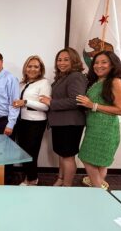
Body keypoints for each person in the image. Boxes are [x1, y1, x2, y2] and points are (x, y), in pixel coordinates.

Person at [76, 51, 121, 188]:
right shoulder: (98, 81)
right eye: (96, 63)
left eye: (104, 62)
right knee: (98, 161)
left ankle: (97, 190)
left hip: (105, 128)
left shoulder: (115, 82)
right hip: (94, 127)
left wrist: (93, 105)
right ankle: (97, 186)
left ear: (112, 64)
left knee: (88, 158)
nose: (99, 65)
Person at [39, 47, 87, 187]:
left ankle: (67, 186)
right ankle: (61, 179)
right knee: (62, 154)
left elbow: (76, 100)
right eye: (59, 60)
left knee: (68, 156)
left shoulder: (76, 76)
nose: (62, 63)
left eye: (66, 59)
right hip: (61, 123)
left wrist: (51, 102)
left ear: (74, 61)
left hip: (70, 123)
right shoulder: (63, 77)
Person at [12, 55, 51, 186]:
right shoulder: (22, 84)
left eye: (36, 66)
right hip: (22, 121)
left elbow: (45, 106)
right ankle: (28, 178)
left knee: (31, 152)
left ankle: (33, 179)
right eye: (29, 66)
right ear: (25, 68)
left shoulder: (44, 83)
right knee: (23, 152)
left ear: (40, 70)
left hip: (36, 122)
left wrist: (26, 102)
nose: (32, 69)